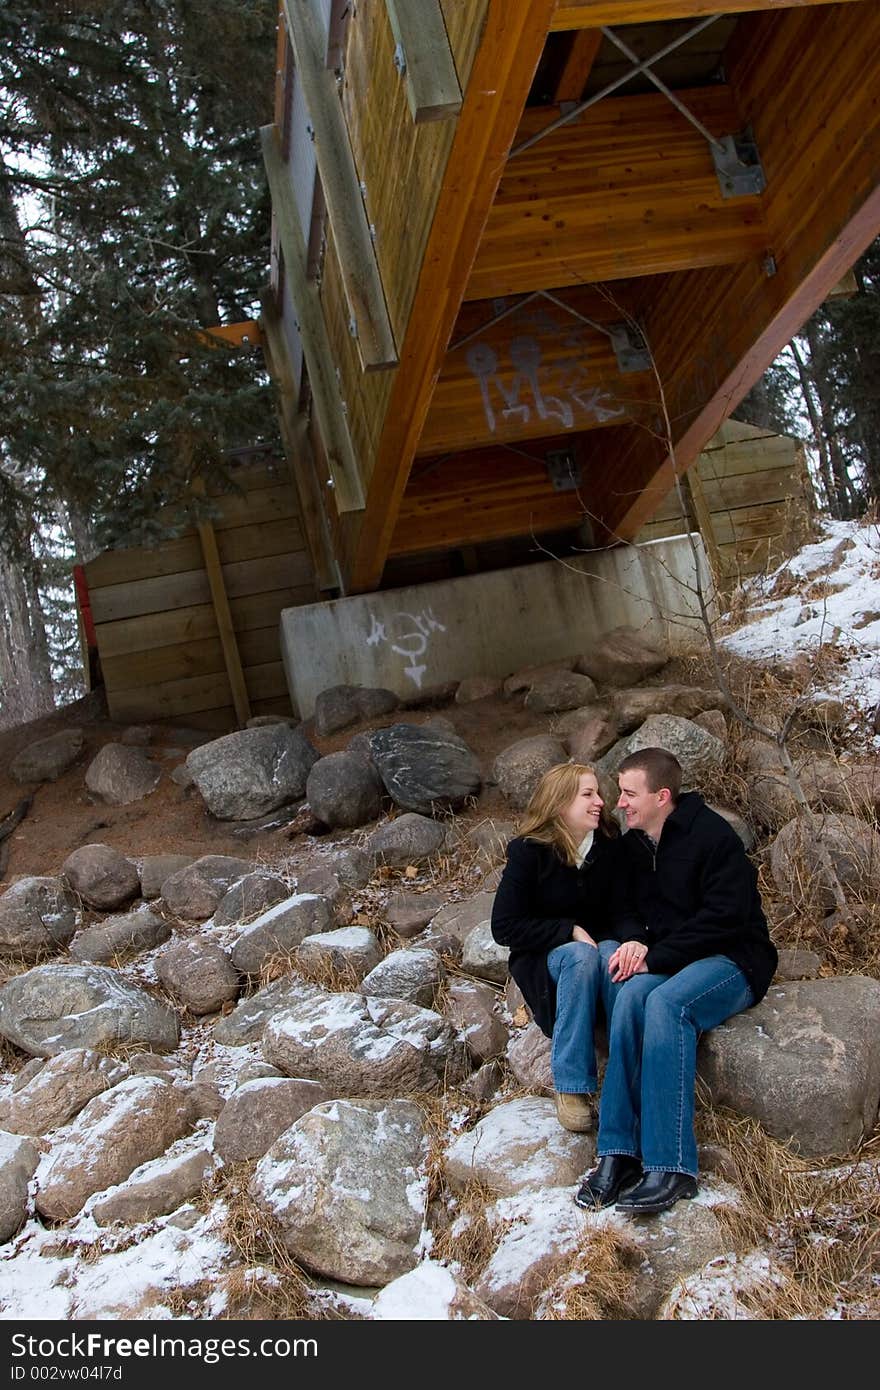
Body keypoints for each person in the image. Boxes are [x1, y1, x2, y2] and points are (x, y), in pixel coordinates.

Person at [576, 746, 778, 1214]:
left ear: (661, 796)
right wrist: (630, 941)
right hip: (671, 959)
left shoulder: (711, 836)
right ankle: (619, 1154)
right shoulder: (633, 845)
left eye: (629, 794)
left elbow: (724, 919)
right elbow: (622, 908)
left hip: (731, 958)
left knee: (666, 1004)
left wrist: (656, 956)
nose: (619, 803)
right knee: (629, 999)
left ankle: (671, 1166)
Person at [491, 762, 628, 1133]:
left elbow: (626, 910)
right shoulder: (529, 852)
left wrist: (628, 943)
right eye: (588, 794)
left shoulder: (610, 846)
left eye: (598, 793)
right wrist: (567, 930)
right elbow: (504, 927)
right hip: (548, 957)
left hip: (602, 947)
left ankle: (629, 1079)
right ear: (560, 802)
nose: (600, 801)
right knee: (582, 956)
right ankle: (572, 1088)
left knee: (614, 957)